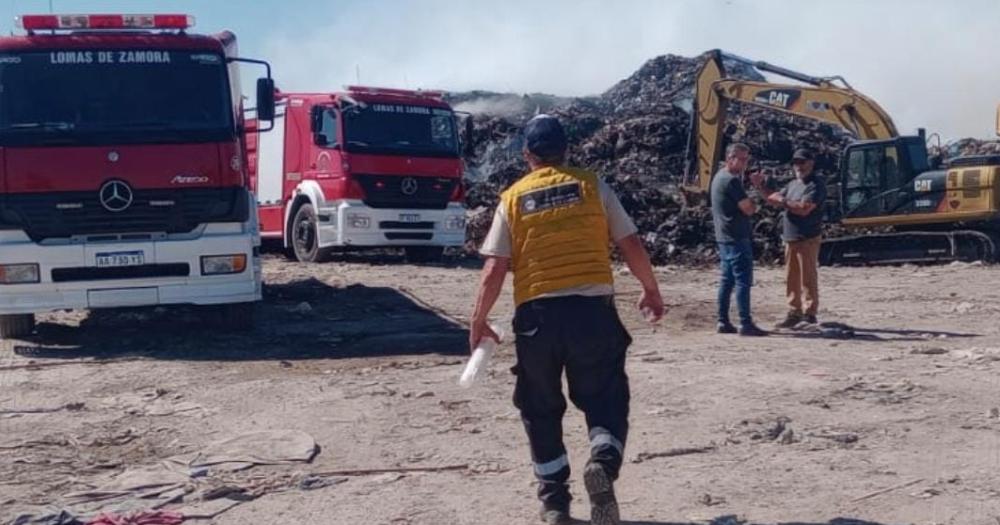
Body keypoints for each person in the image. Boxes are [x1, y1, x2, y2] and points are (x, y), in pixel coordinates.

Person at [469, 114, 665, 525]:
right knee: (605, 395)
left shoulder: (513, 197)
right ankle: (603, 462)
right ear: (567, 150)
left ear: (527, 156)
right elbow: (630, 242)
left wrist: (478, 321)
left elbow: (494, 269)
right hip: (592, 312)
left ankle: (556, 503)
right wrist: (650, 289)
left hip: (536, 316)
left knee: (539, 407)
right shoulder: (592, 186)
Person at [762, 148, 827, 327]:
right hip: (791, 237)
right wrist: (760, 186)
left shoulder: (815, 185)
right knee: (791, 277)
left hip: (807, 237)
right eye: (796, 162)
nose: (798, 166)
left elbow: (804, 209)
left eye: (802, 162)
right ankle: (794, 311)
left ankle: (810, 313)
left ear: (811, 163)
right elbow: (772, 198)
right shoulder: (792, 184)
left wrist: (783, 202)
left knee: (807, 277)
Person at [710, 142, 768, 337]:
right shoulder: (731, 181)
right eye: (741, 159)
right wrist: (757, 188)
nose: (744, 164)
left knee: (726, 280)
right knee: (743, 281)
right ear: (730, 158)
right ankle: (745, 322)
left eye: (746, 159)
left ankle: (723, 320)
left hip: (724, 237)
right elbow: (748, 208)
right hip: (736, 237)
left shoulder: (718, 177)